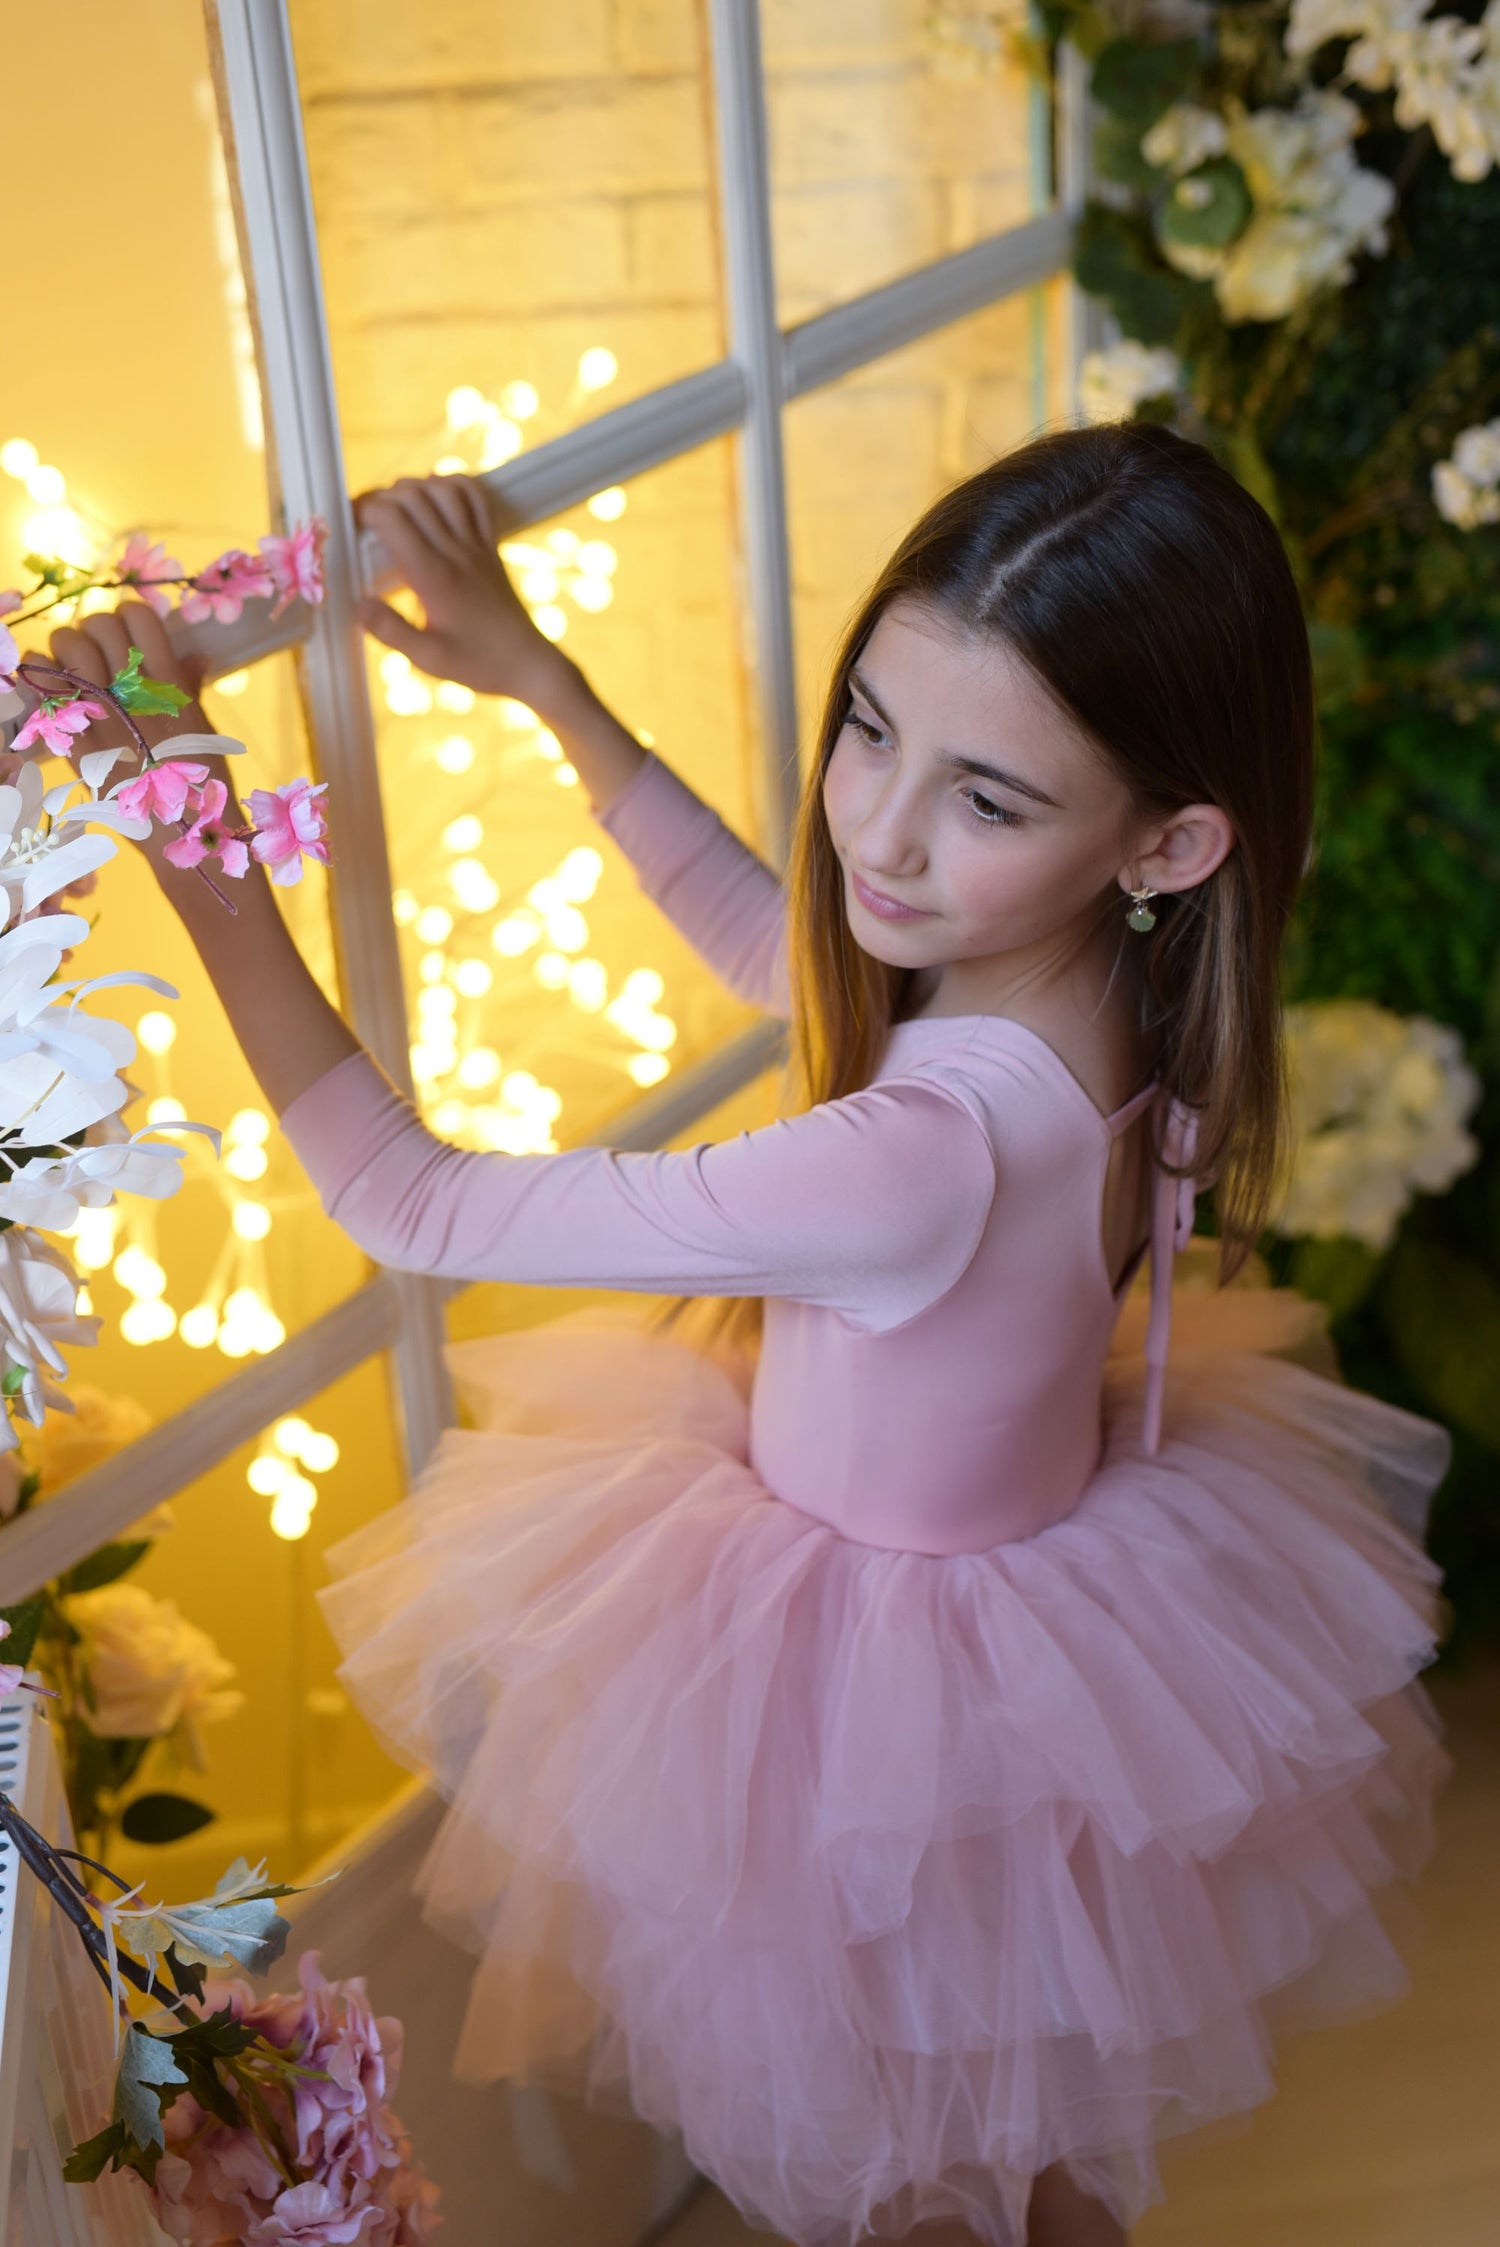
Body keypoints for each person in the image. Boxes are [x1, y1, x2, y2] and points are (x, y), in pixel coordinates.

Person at [40, 423, 1454, 2247]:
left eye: (985, 798)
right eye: (871, 725)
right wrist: (543, 681)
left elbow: (410, 1200)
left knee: (915, 2189)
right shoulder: (1117, 973)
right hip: (1023, 1669)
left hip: (879, 1754)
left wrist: (198, 845)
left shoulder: (913, 1164)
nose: (877, 826)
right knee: (1018, 2160)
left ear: (1167, 838)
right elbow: (789, 938)